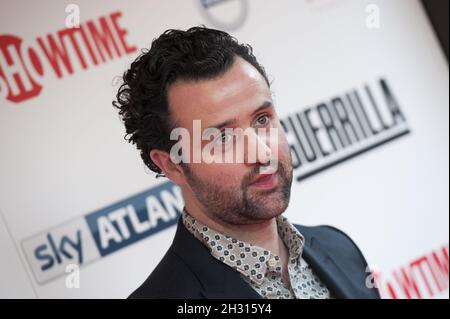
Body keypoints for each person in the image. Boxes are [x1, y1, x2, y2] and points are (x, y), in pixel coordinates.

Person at [113, 26, 380, 299]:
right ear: (172, 165)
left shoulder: (340, 249)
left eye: (262, 120)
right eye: (223, 138)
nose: (262, 153)